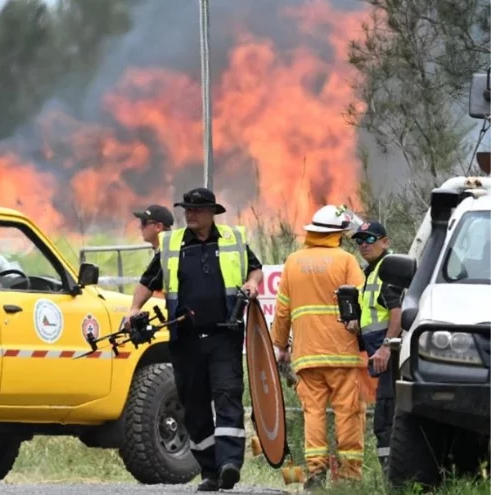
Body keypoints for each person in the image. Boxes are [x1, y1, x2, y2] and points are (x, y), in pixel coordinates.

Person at [129, 187, 263, 492]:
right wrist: (134, 308)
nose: (189, 214)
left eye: (195, 210)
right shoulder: (172, 244)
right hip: (185, 340)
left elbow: (255, 269)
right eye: (186, 209)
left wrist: (252, 284)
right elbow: (147, 282)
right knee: (194, 404)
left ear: (212, 213)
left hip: (224, 335)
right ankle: (210, 471)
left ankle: (230, 463)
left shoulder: (233, 240)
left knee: (227, 395)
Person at [270, 205, 367, 489]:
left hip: (307, 355)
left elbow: (283, 310)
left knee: (313, 413)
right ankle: (349, 475)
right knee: (347, 412)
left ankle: (316, 472)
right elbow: (361, 304)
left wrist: (280, 346)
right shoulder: (346, 261)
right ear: (338, 233)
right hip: (343, 354)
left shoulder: (293, 262)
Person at [347, 221, 402, 474]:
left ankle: (395, 480)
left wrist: (386, 347)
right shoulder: (372, 271)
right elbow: (377, 313)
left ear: (385, 241)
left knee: (385, 422)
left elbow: (397, 311)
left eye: (370, 239)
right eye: (359, 241)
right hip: (380, 357)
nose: (363, 245)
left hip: (390, 358)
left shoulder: (388, 271)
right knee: (385, 420)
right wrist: (358, 324)